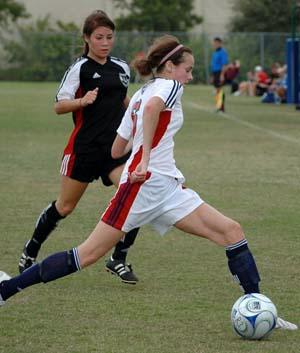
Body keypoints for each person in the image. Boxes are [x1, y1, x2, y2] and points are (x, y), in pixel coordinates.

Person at [0, 35, 297, 330]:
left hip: (167, 187)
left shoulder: (140, 95)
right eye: (188, 69)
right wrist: (143, 161)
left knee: (231, 231)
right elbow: (154, 109)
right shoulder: (169, 87)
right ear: (169, 66)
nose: (190, 77)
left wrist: (141, 149)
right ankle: (6, 290)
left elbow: (117, 149)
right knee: (87, 254)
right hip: (140, 187)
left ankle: (258, 305)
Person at [17, 10, 140, 284]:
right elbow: (59, 105)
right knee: (65, 206)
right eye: (99, 37)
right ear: (87, 38)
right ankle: (30, 250)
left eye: (109, 37)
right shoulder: (79, 68)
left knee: (135, 193)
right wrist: (82, 102)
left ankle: (118, 258)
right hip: (84, 149)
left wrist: (137, 111)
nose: (105, 42)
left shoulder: (121, 68)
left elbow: (123, 99)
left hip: (114, 150)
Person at [210, 37, 229, 112]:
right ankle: (218, 106)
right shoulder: (215, 52)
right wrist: (212, 75)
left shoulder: (223, 52)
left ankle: (221, 107)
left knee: (220, 90)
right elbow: (213, 64)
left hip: (219, 72)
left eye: (216, 43)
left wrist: (222, 75)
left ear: (220, 43)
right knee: (217, 90)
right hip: (215, 73)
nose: (214, 45)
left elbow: (224, 65)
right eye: (214, 43)